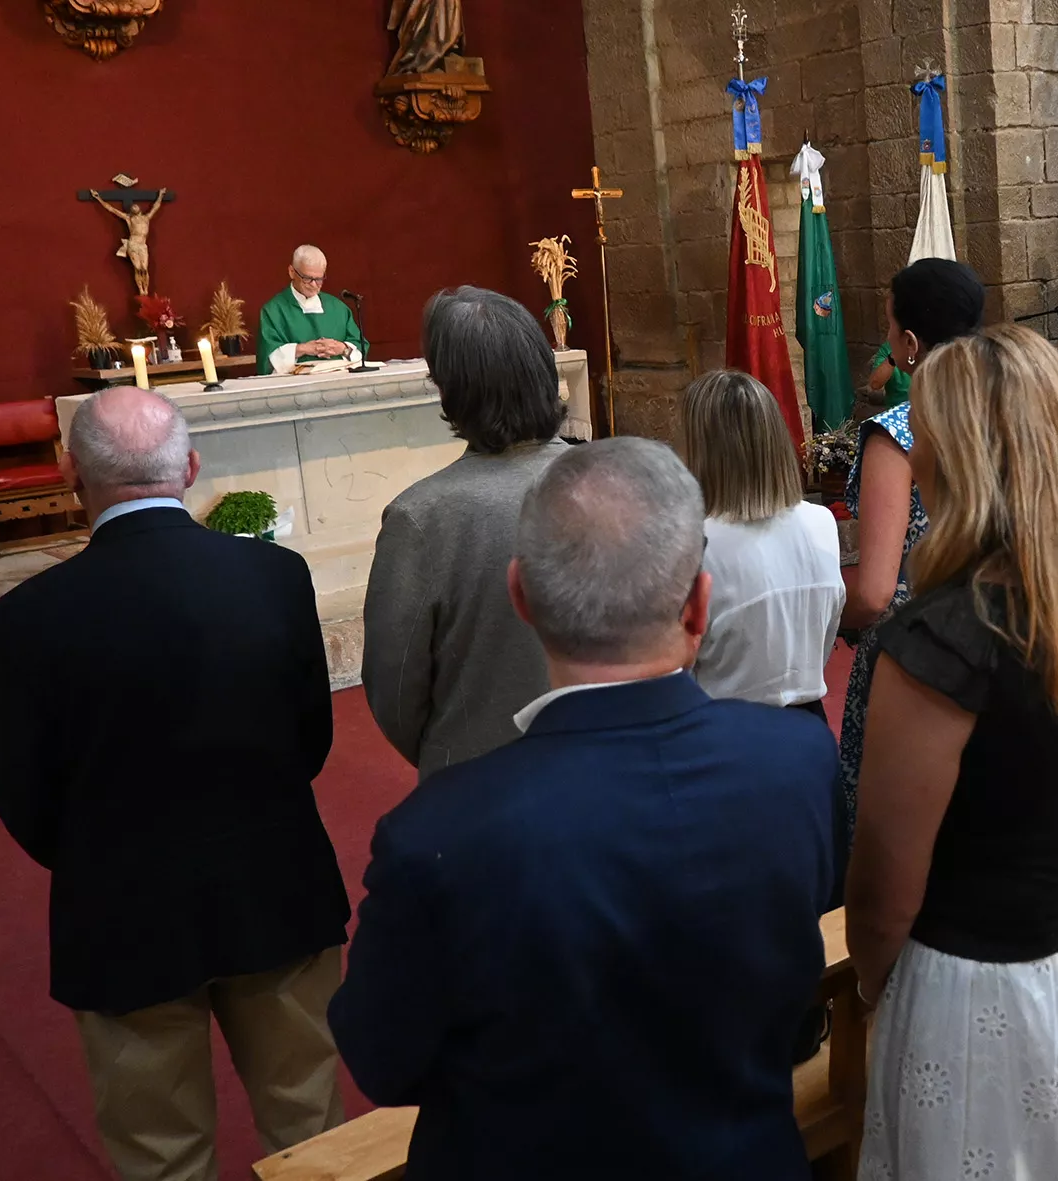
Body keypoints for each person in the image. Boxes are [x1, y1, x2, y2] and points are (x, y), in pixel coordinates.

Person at [331, 438, 839, 1181]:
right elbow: (796, 1000)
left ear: (521, 596)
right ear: (700, 602)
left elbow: (382, 1059)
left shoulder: (439, 834)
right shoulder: (798, 762)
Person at [0, 388, 350, 1181]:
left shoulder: (24, 619)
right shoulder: (276, 577)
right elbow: (310, 739)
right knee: (310, 1121)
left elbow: (23, 797)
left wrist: (105, 855)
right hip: (274, 886)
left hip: (123, 910)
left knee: (160, 1151)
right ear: (188, 466)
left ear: (70, 472)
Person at [849, 324, 1058, 1180]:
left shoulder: (945, 642)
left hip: (984, 988)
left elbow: (888, 884)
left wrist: (870, 990)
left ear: (961, 460)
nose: (914, 460)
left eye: (924, 439)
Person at [363, 286, 568, 780]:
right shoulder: (620, 478)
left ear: (451, 390)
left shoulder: (420, 518)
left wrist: (453, 750)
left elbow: (394, 691)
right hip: (616, 775)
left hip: (482, 782)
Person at [837, 259, 986, 863]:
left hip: (918, 655)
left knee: (899, 839)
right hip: (1016, 637)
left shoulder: (901, 431)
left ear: (910, 345)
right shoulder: (1017, 410)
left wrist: (829, 615)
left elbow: (874, 591)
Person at [680, 369, 844, 714]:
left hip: (725, 728)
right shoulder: (820, 521)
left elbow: (679, 671)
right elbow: (824, 637)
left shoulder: (695, 544)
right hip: (808, 723)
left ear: (704, 454)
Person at [256, 245, 366, 375]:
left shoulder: (338, 308)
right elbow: (268, 357)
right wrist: (302, 349)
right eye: (307, 278)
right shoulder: (274, 311)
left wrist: (342, 348)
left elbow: (360, 348)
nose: (314, 285)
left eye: (319, 279)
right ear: (292, 272)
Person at [865, 341, 911, 408]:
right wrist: (894, 356)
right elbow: (875, 384)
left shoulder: (929, 348)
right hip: (897, 407)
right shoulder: (888, 348)